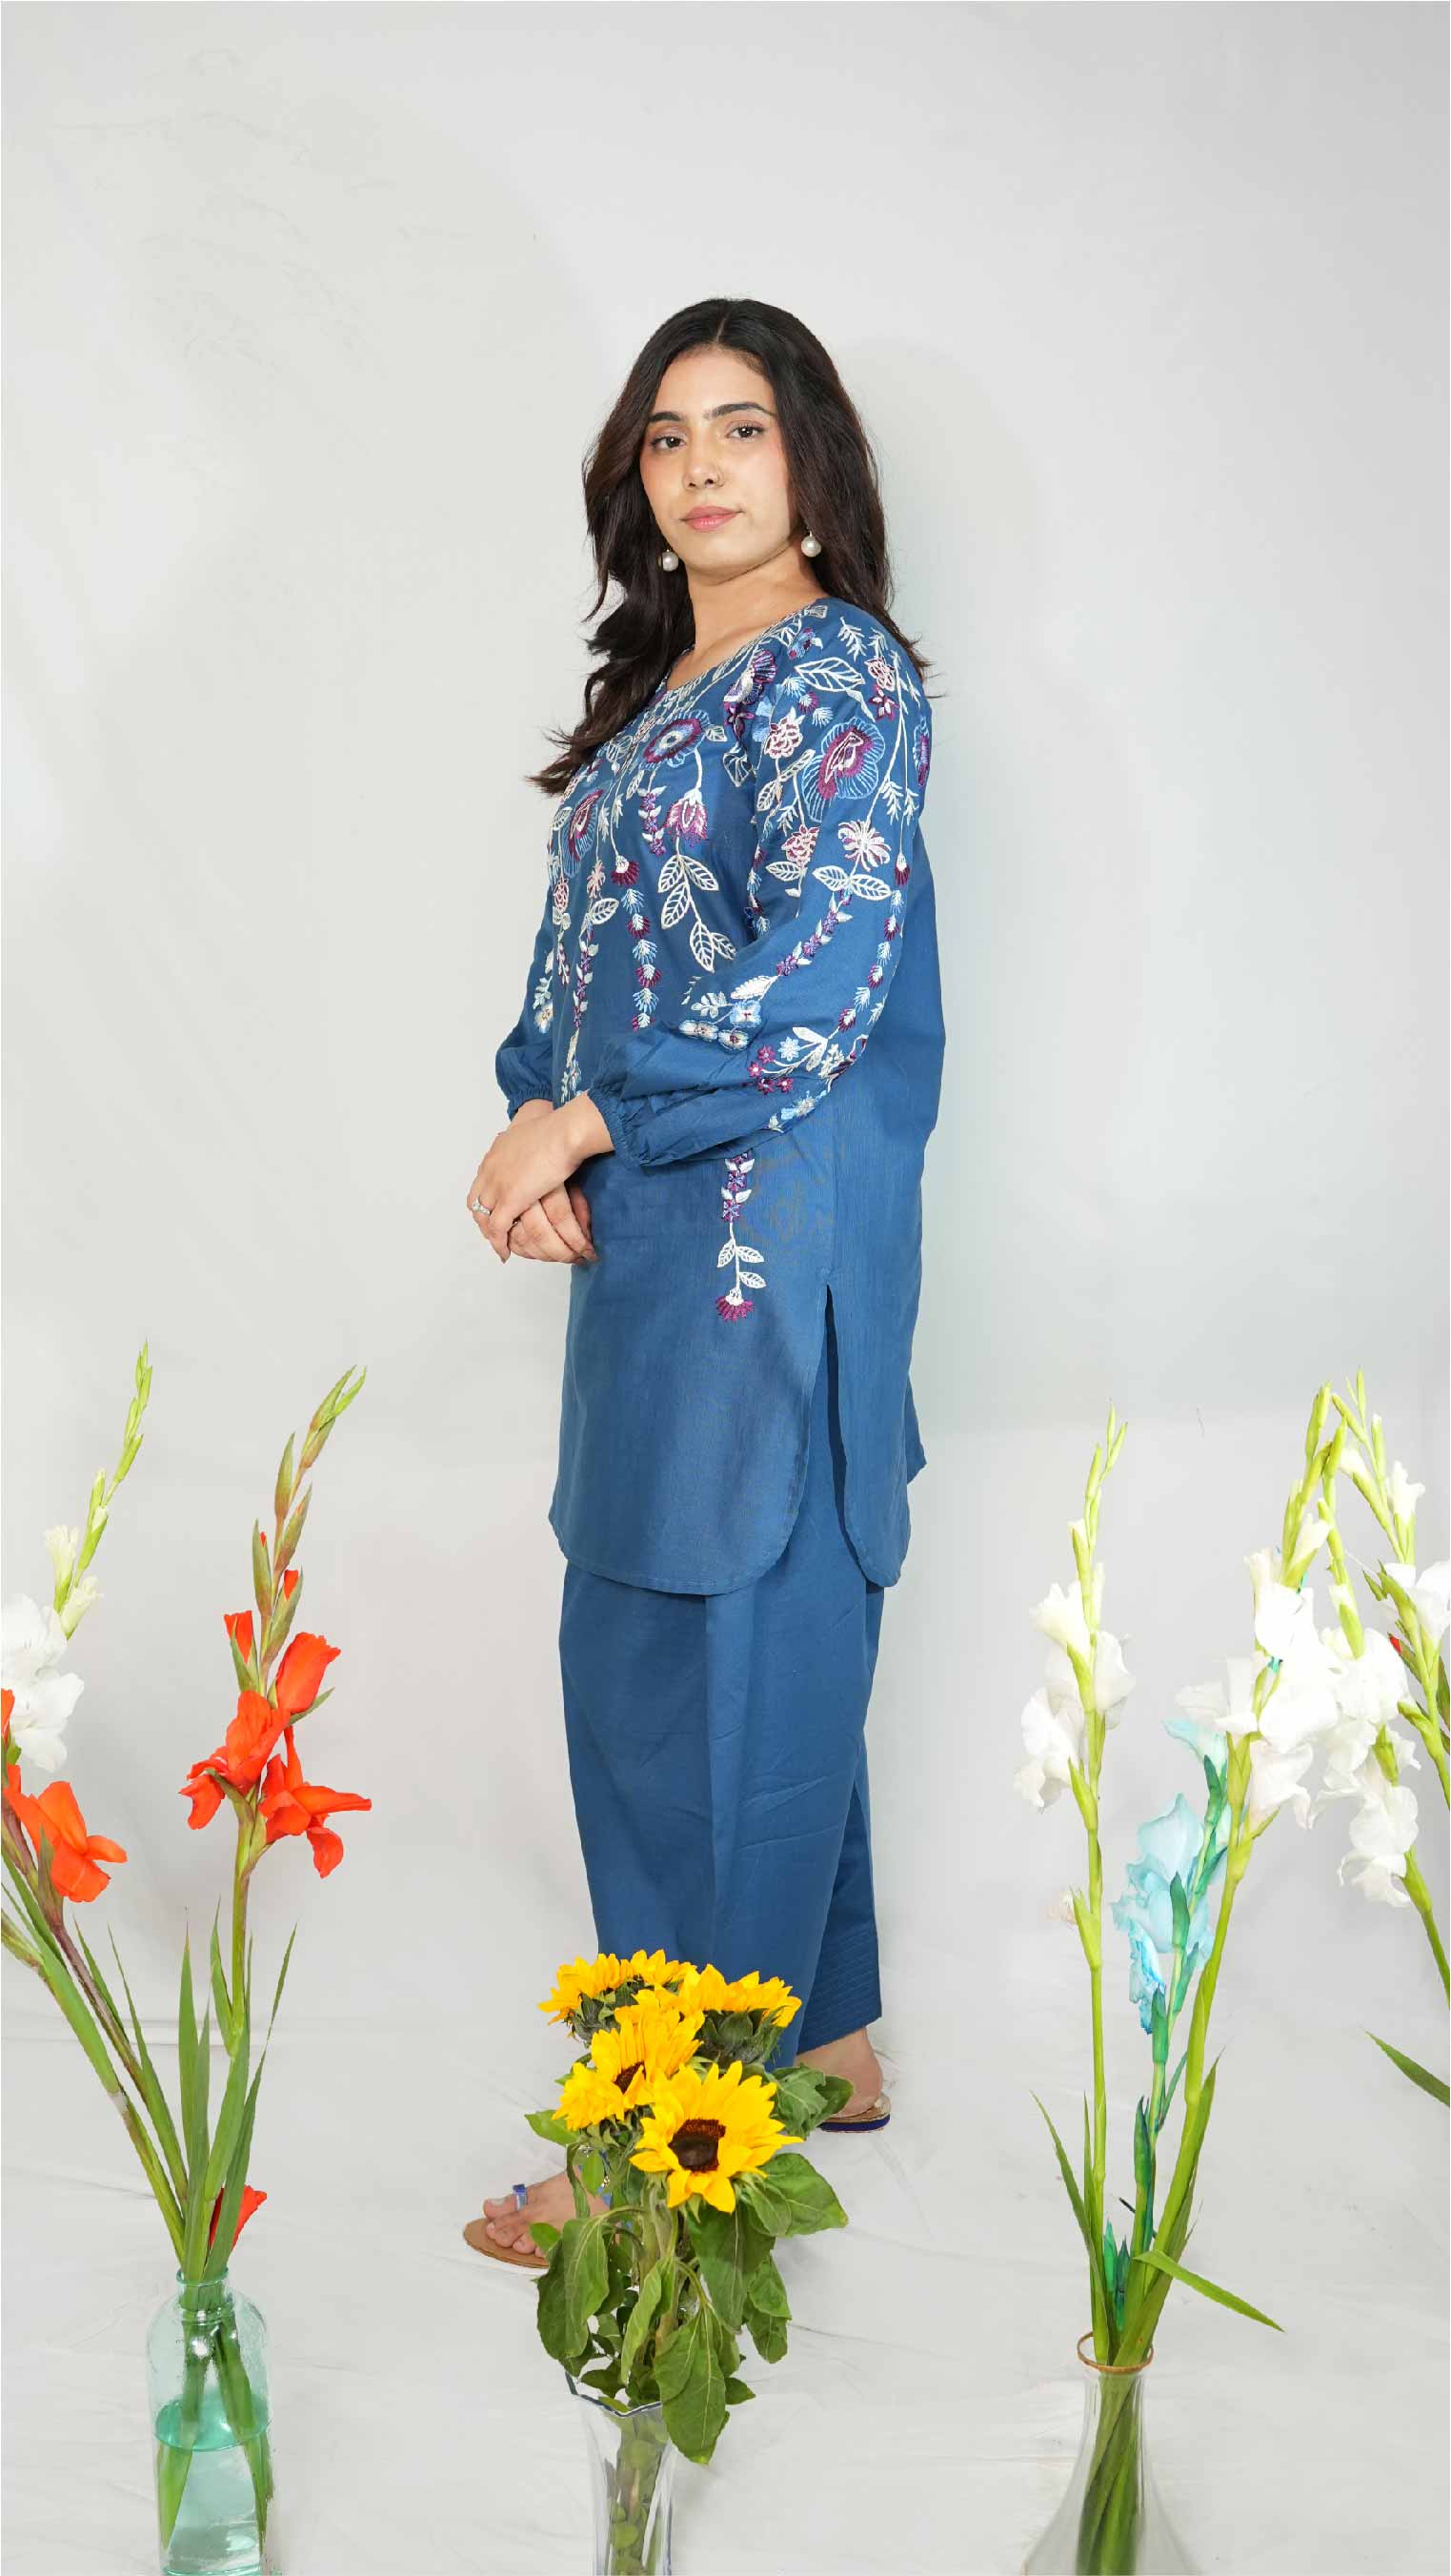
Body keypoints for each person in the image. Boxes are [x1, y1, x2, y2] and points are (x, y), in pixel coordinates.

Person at [462, 296, 946, 2266]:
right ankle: (824, 2042)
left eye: (741, 425)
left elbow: (815, 984)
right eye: (667, 437)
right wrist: (542, 1118)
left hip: (765, 1250)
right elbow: (579, 972)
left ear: (812, 459)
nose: (702, 466)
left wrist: (585, 1121)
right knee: (722, 1657)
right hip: (657, 1247)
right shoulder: (666, 696)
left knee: (704, 1675)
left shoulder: (841, 679)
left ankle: (667, 2142)